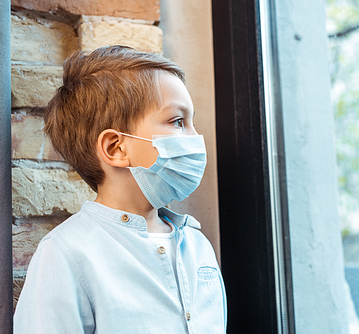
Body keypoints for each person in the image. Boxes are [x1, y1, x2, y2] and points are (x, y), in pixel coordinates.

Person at [14, 45, 227, 333]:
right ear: (115, 148)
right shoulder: (66, 254)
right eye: (177, 121)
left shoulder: (197, 244)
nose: (196, 137)